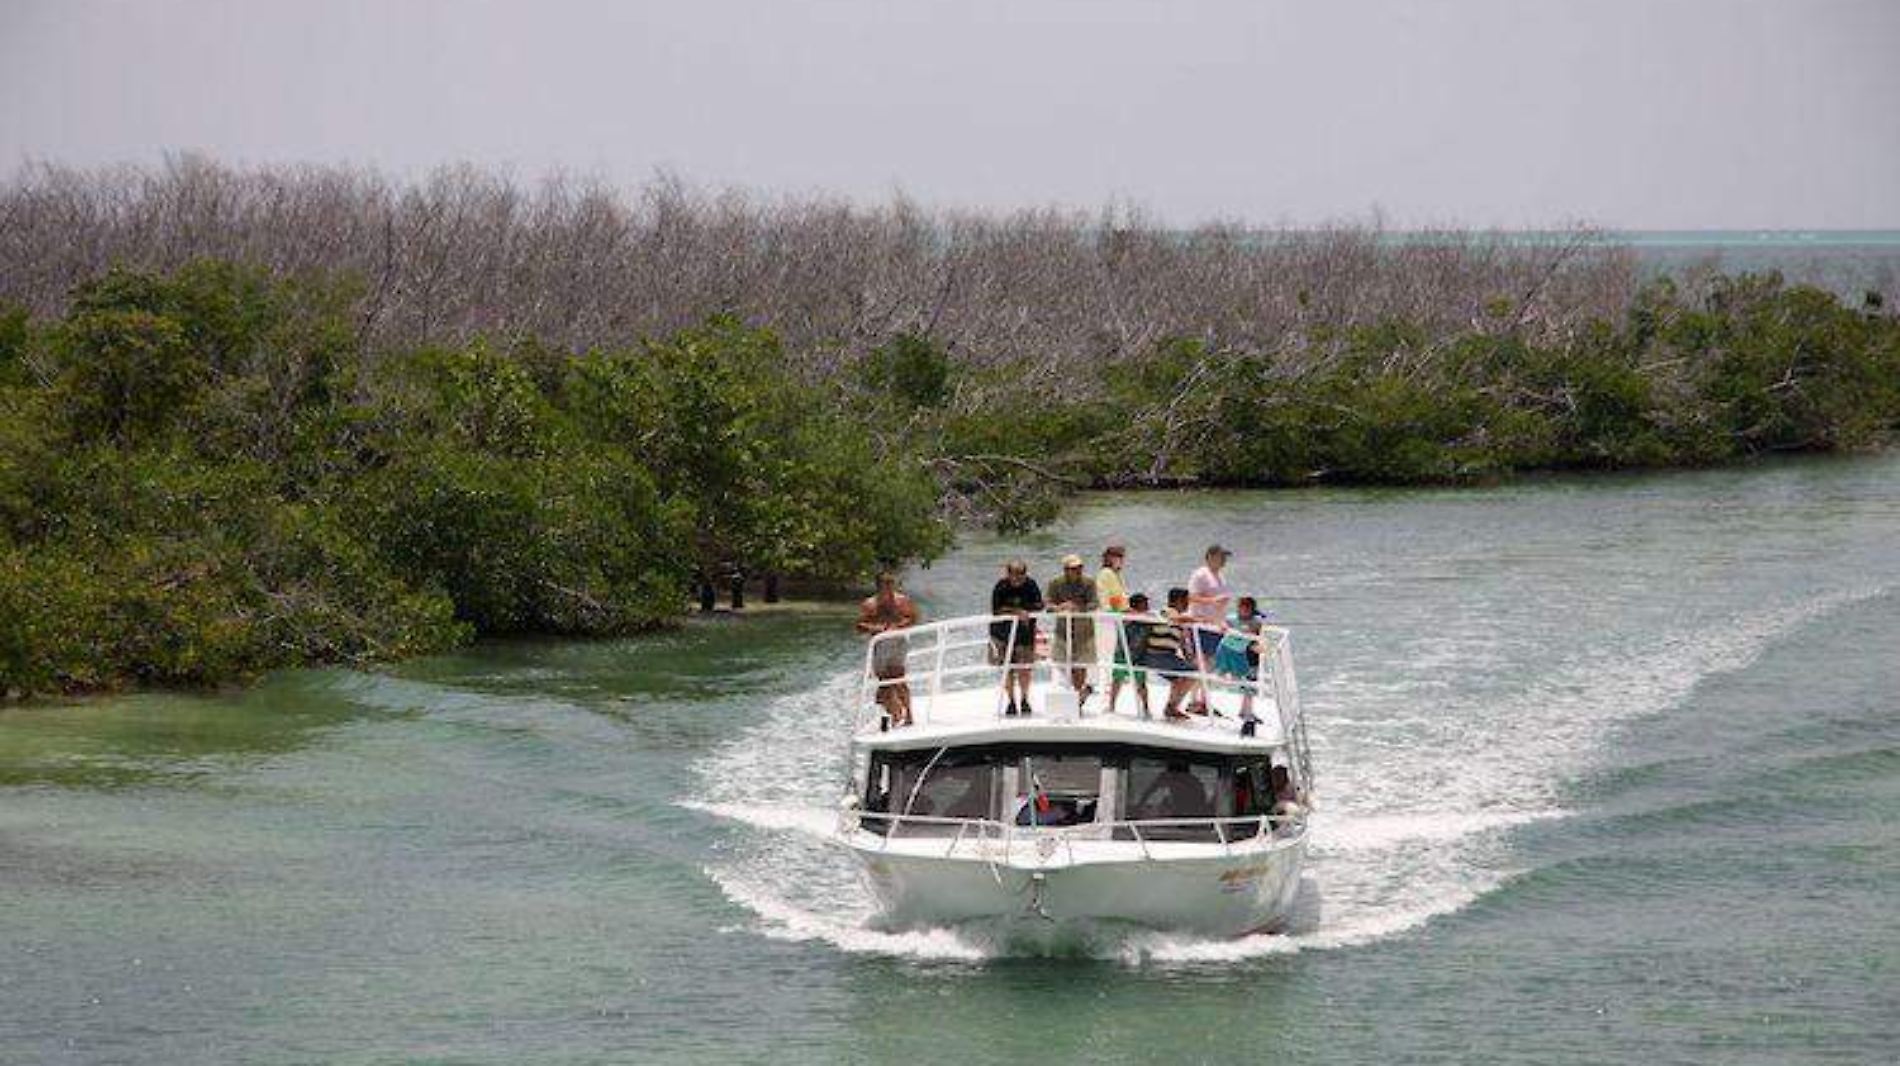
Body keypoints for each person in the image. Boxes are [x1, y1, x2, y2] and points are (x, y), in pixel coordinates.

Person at [856, 571, 919, 726]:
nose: (890, 588)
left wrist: (897, 626)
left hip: (898, 641)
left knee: (898, 677)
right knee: (884, 680)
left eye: (892, 584)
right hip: (880, 642)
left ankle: (909, 714)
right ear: (879, 587)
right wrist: (878, 628)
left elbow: (913, 618)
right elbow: (859, 625)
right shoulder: (870, 604)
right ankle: (895, 713)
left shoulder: (902, 601)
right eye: (886, 585)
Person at [1133, 588, 1200, 719]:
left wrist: (1188, 657)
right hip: (1156, 655)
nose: (1188, 604)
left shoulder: (1179, 622)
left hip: (1165, 657)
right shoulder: (1166, 612)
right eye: (1187, 601)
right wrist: (1197, 620)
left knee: (1181, 678)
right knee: (1193, 673)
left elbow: (1182, 642)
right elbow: (1174, 618)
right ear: (1179, 601)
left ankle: (1171, 707)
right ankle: (1171, 707)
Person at [989, 559, 1043, 716]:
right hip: (1002, 634)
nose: (1018, 577)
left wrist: (1028, 611)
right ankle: (1011, 701)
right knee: (1007, 668)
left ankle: (1025, 699)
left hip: (1025, 634)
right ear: (1008, 573)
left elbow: (1039, 605)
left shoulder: (1031, 585)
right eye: (1014, 573)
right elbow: (996, 610)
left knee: (1024, 669)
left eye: (1021, 574)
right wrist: (1016, 612)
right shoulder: (1001, 586)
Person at [1045, 553, 1099, 707]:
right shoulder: (1055, 583)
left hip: (1084, 632)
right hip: (1063, 632)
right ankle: (1081, 693)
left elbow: (1094, 604)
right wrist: (1060, 607)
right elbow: (1048, 605)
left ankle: (1078, 700)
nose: (1078, 570)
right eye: (1074, 568)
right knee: (1062, 664)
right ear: (1066, 570)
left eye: (1080, 567)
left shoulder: (1089, 583)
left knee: (1081, 666)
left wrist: (1077, 608)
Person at [1110, 591, 1152, 717]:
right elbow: (1115, 610)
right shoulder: (1124, 616)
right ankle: (1111, 705)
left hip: (1139, 654)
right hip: (1122, 653)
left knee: (1141, 683)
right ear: (1138, 604)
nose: (1148, 606)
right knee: (1117, 680)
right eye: (1145, 603)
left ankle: (1146, 708)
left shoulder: (1148, 617)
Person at [1095, 544, 1130, 611]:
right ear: (1110, 558)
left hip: (1122, 612)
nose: (1122, 560)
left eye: (1122, 557)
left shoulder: (1117, 575)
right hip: (1111, 615)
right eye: (1119, 557)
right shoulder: (1104, 574)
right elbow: (1102, 599)